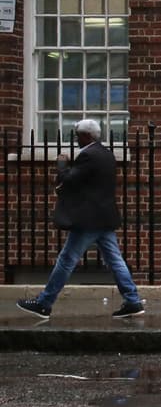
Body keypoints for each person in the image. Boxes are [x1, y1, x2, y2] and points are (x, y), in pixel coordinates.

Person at [17, 118, 146, 320]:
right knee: (115, 260)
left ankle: (44, 303)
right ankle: (132, 300)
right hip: (105, 218)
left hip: (88, 220)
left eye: (78, 136)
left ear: (86, 136)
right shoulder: (107, 154)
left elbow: (69, 180)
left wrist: (62, 166)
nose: (77, 139)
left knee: (66, 260)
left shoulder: (89, 155)